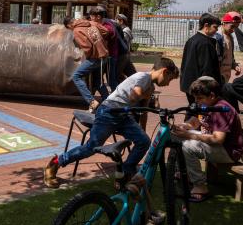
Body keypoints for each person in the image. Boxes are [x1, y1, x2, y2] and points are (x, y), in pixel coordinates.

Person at [44, 57, 180, 188]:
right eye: (170, 79)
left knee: (144, 141)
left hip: (123, 115)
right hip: (109, 111)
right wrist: (148, 95)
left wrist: (142, 131)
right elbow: (135, 95)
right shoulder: (142, 77)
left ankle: (125, 173)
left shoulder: (149, 84)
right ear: (164, 71)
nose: (167, 84)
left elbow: (142, 111)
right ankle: (56, 162)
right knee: (91, 147)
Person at [172, 76, 243, 202]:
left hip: (228, 150)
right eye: (195, 98)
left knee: (189, 146)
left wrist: (189, 135)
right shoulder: (207, 104)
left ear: (211, 95)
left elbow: (218, 139)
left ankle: (200, 186)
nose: (197, 101)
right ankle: (186, 173)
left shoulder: (221, 109)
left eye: (199, 98)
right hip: (215, 145)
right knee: (175, 134)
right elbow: (196, 121)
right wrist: (184, 126)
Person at [63, 15, 109, 111]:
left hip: (95, 58)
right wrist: (99, 42)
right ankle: (109, 103)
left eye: (69, 29)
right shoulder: (91, 23)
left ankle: (92, 102)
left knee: (76, 76)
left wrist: (88, 54)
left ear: (69, 25)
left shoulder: (76, 30)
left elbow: (87, 47)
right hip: (104, 56)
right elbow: (106, 31)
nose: (70, 31)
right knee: (98, 81)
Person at [180, 13, 222, 105]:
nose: (216, 30)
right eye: (215, 27)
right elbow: (207, 69)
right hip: (201, 88)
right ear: (206, 25)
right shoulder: (205, 43)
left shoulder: (192, 40)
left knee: (193, 111)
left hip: (190, 85)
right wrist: (210, 88)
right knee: (201, 114)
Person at [215, 13, 241, 82]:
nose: (233, 30)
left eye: (236, 27)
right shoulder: (217, 37)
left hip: (226, 74)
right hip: (217, 74)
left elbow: (230, 55)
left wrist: (234, 65)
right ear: (224, 23)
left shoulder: (230, 37)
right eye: (232, 26)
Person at [116, 13, 137, 82]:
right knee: (131, 73)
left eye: (117, 20)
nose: (116, 22)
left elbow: (123, 43)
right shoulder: (124, 29)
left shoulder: (125, 31)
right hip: (125, 55)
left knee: (117, 74)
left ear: (121, 21)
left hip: (123, 55)